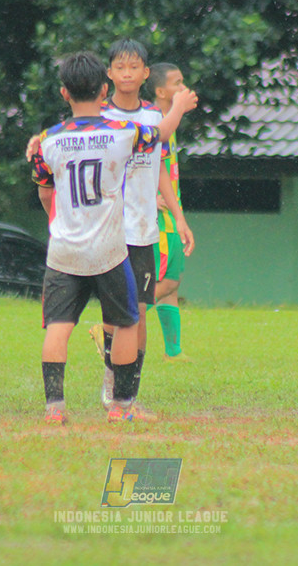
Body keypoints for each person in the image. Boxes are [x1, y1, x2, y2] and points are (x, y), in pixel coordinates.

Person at [30, 50, 194, 425]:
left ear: (63, 93)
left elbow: (43, 191)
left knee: (58, 326)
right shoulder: (121, 134)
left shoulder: (49, 141)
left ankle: (55, 407)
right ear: (104, 89)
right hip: (109, 249)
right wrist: (179, 107)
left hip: (63, 251)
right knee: (125, 322)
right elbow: (161, 135)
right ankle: (120, 407)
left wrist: (60, 224)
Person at [91, 40, 195, 420]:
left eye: (135, 67)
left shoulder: (153, 117)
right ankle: (111, 383)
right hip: (108, 230)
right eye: (121, 67)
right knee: (113, 315)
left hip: (143, 231)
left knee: (140, 312)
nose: (128, 73)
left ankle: (128, 397)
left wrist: (179, 217)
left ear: (145, 74)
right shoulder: (101, 117)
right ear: (110, 73)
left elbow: (160, 168)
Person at [148, 62, 192, 362]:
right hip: (157, 218)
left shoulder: (169, 123)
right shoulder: (155, 122)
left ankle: (173, 352)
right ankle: (111, 327)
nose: (183, 88)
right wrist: (152, 197)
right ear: (160, 91)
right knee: (167, 282)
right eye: (177, 83)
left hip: (168, 213)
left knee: (171, 281)